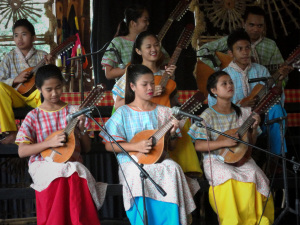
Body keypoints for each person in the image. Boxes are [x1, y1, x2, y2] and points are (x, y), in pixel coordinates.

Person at [100, 64, 199, 225]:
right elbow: (109, 145)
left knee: (173, 168)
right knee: (139, 174)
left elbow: (172, 147)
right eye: (144, 84)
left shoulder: (165, 112)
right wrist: (136, 147)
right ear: (132, 86)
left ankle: (171, 221)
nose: (150, 87)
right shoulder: (123, 112)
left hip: (159, 159)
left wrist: (172, 133)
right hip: (132, 161)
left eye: (152, 83)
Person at [16, 64, 107, 225]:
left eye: (58, 87)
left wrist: (81, 129)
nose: (54, 93)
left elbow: (86, 148)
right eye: (49, 89)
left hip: (72, 163)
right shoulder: (34, 116)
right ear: (39, 89)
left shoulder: (73, 111)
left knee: (73, 172)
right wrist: (48, 143)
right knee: (63, 174)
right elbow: (22, 151)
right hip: (42, 164)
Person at [188, 71, 274, 225]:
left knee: (255, 173)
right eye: (224, 83)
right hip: (215, 159)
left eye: (231, 82)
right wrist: (224, 143)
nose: (230, 86)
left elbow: (250, 143)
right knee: (227, 175)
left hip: (241, 158)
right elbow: (199, 145)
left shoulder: (244, 112)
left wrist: (253, 128)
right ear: (214, 91)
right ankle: (232, 221)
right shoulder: (207, 115)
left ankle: (256, 220)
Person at [113, 31, 202, 175]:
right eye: (148, 46)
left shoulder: (165, 74)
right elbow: (117, 105)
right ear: (138, 50)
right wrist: (148, 94)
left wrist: (171, 80)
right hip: (144, 129)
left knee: (182, 124)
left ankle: (185, 172)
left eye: (156, 45)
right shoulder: (131, 74)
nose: (153, 49)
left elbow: (173, 103)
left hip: (165, 124)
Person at [208, 29, 287, 155]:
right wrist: (240, 107)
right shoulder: (223, 76)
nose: (245, 53)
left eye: (247, 48)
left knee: (277, 110)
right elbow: (214, 107)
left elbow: (275, 98)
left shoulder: (261, 71)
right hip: (235, 126)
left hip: (260, 123)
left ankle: (276, 161)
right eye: (239, 49)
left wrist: (279, 81)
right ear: (230, 53)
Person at [0, 19, 53, 144]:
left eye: (24, 34)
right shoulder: (9, 57)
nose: (19, 39)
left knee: (46, 92)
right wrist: (14, 80)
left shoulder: (42, 56)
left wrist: (49, 66)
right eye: (16, 35)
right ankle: (11, 132)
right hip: (16, 96)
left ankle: (44, 133)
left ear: (34, 37)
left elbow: (50, 79)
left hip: (34, 95)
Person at [198, 6, 284, 70]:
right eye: (251, 25)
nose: (255, 29)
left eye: (260, 26)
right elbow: (203, 50)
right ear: (243, 23)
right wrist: (220, 67)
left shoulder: (271, 46)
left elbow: (280, 73)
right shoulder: (234, 40)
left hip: (259, 89)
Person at [101, 4, 169, 81]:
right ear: (133, 23)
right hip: (128, 88)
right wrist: (136, 68)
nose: (148, 23)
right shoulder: (118, 42)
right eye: (145, 20)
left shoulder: (152, 40)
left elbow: (166, 64)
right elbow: (109, 74)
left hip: (153, 85)